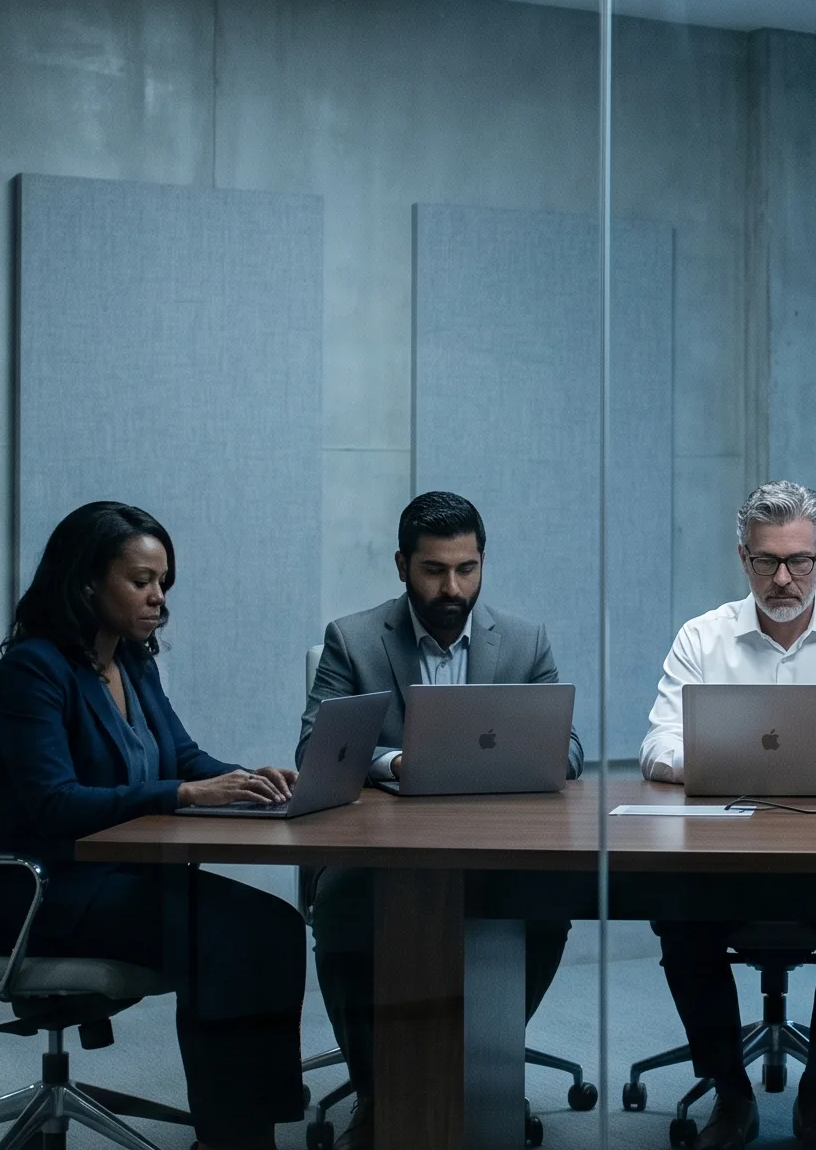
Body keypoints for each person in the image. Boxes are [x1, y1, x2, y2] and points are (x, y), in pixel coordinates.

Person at [0, 501, 305, 1150]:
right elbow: (55, 803)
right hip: (52, 893)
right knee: (229, 938)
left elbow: (183, 759)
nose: (159, 598)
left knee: (273, 926)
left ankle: (250, 1124)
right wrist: (186, 792)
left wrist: (247, 782)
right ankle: (232, 1134)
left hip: (124, 877)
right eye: (141, 582)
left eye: (164, 583)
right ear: (84, 583)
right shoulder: (33, 671)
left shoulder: (132, 661)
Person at [642, 480, 816, 1150]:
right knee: (677, 913)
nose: (783, 577)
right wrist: (720, 760)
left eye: (799, 560)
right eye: (766, 561)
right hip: (723, 854)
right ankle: (730, 1095)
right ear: (743, 560)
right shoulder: (702, 638)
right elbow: (656, 746)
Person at [301, 491, 581, 1150]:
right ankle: (376, 1088)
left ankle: (479, 1061)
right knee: (340, 904)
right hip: (383, 847)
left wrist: (523, 755)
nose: (452, 587)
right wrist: (400, 762)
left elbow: (569, 750)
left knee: (548, 902)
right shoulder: (355, 638)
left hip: (496, 843)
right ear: (402, 565)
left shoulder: (524, 641)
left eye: (467, 569)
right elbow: (317, 748)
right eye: (434, 570)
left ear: (483, 563)